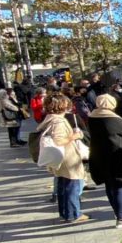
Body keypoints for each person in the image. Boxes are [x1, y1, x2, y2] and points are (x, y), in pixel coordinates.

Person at [86, 94, 122, 228]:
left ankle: (117, 212)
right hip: (116, 154)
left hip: (99, 154)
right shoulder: (112, 118)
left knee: (109, 184)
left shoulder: (92, 117)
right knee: (119, 185)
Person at [39, 95, 89, 224]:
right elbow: (59, 140)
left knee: (63, 185)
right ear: (61, 106)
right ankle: (74, 214)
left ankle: (65, 212)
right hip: (67, 157)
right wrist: (74, 136)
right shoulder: (59, 121)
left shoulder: (50, 119)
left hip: (60, 157)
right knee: (72, 185)